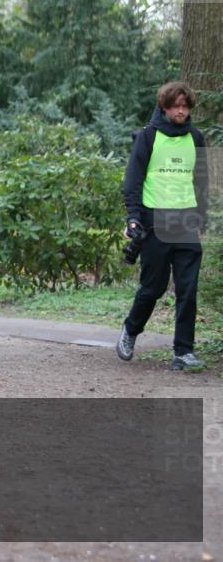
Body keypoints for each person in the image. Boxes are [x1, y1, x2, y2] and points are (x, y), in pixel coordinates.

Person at [118, 81, 210, 371]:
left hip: (185, 222)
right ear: (165, 107)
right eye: (176, 106)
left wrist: (201, 219)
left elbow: (201, 182)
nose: (181, 110)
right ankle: (131, 330)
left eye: (185, 106)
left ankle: (183, 352)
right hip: (155, 222)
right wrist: (133, 218)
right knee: (152, 287)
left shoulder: (196, 138)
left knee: (188, 289)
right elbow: (132, 181)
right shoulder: (147, 137)